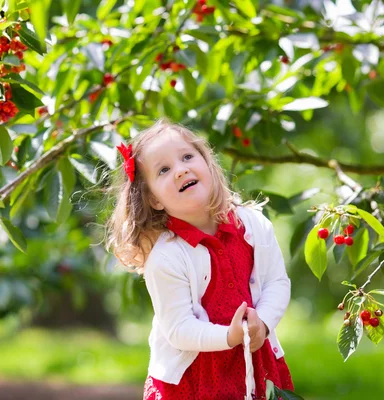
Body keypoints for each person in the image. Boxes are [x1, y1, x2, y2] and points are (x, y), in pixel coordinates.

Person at [106, 120, 294, 399]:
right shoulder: (167, 257)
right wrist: (229, 337)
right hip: (194, 379)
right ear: (154, 200)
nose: (181, 169)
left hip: (254, 361)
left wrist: (263, 323)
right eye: (164, 170)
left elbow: (277, 282)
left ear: (207, 163)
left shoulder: (252, 224)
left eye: (187, 157)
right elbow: (179, 328)